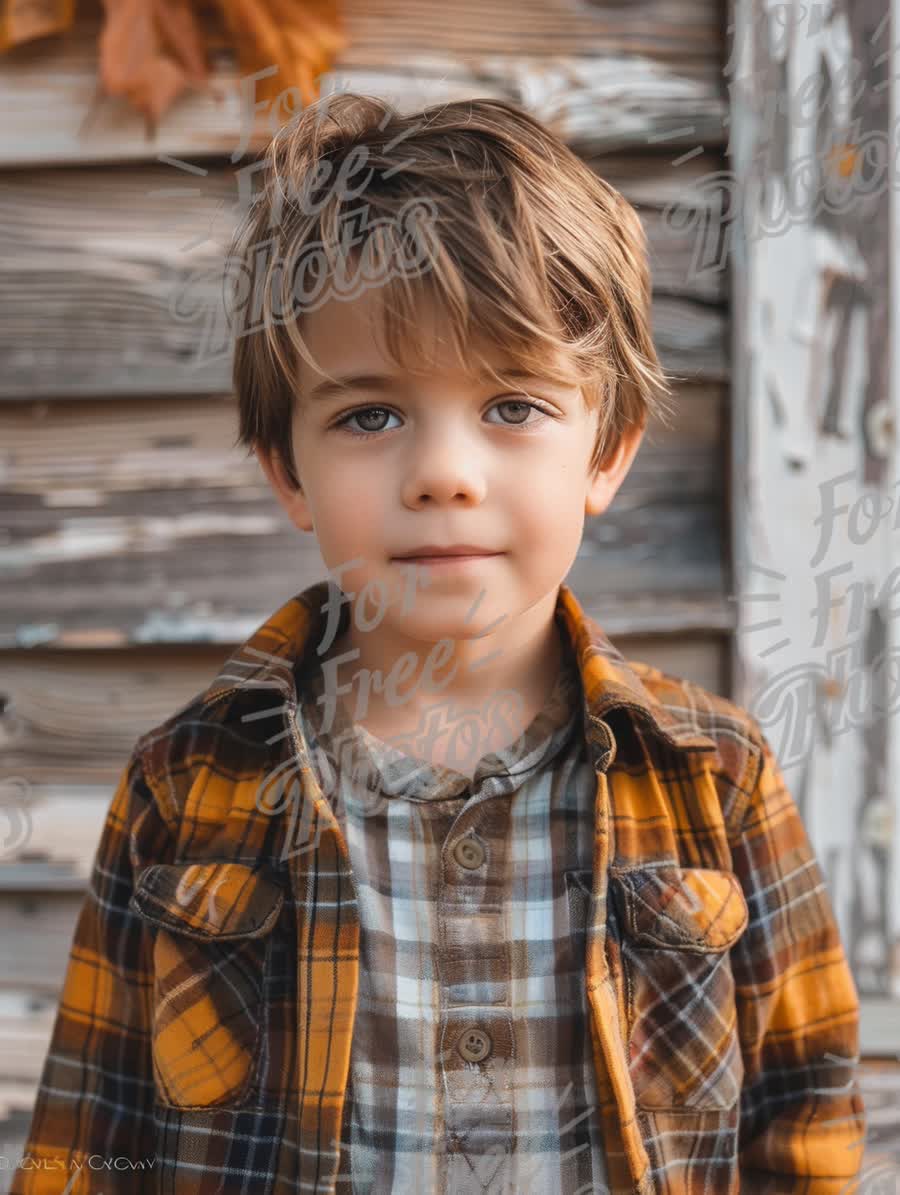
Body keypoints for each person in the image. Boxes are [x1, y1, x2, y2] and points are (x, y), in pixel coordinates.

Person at [11, 93, 866, 1195]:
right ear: (287, 470)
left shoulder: (718, 777)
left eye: (512, 405)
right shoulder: (186, 788)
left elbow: (805, 1117)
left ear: (606, 452)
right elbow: (90, 1142)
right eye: (369, 415)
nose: (443, 473)